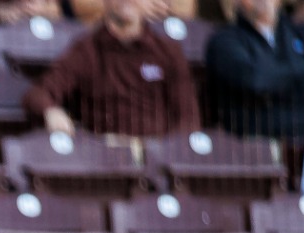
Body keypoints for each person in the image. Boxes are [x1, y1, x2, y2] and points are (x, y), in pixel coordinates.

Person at [24, 0, 199, 138]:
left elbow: (188, 117)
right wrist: (51, 111)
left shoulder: (168, 51)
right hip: (107, 157)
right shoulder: (87, 50)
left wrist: (169, 152)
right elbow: (38, 94)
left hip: (157, 154)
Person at [204, 0, 304, 140]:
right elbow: (255, 81)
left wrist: (279, 80)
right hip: (256, 139)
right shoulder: (224, 41)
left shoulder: (302, 34)